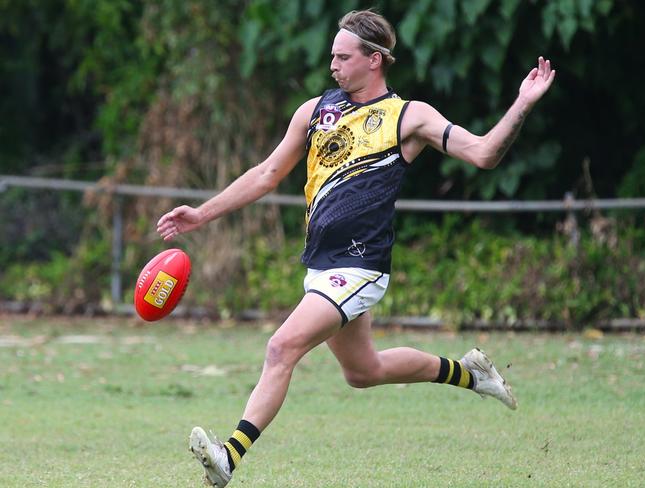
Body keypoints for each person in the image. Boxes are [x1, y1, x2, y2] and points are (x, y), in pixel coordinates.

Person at [157, 9, 555, 487]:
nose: (333, 66)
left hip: (361, 264)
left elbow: (486, 152)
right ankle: (472, 374)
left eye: (343, 57)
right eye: (332, 56)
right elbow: (266, 174)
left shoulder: (409, 116)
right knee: (363, 371)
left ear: (375, 60)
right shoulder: (314, 111)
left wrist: (523, 103)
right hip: (321, 266)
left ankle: (229, 457)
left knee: (281, 347)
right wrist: (203, 214)